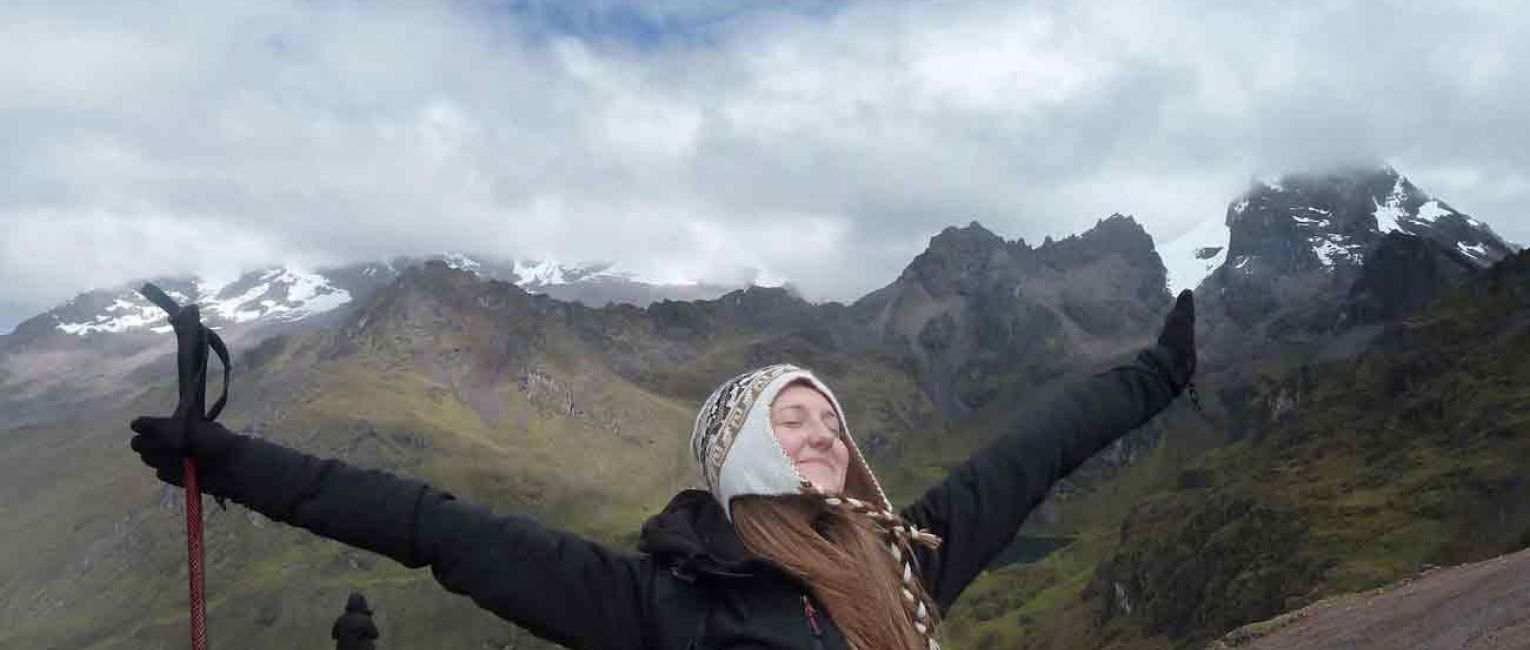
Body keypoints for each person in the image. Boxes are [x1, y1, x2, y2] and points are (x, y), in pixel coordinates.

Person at [129, 290, 1198, 650]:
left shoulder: (906, 561)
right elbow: (432, 525)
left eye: (832, 418)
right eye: (798, 419)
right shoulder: (661, 601)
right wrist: (230, 464)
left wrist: (1155, 374)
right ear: (742, 455)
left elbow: (1039, 446)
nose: (830, 433)